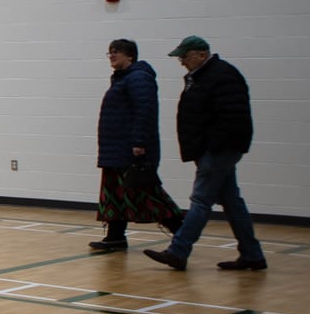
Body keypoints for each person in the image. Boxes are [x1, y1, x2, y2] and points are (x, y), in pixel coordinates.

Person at [145, 36, 266, 273]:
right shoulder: (202, 77)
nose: (182, 62)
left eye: (185, 56)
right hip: (215, 149)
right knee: (232, 202)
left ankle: (178, 251)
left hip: (219, 149)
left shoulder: (222, 75)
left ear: (202, 54)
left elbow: (232, 117)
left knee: (200, 200)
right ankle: (252, 255)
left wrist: (210, 148)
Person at [90, 39, 179, 251]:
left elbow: (145, 111)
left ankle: (182, 232)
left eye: (117, 52)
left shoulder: (138, 78)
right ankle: (115, 237)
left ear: (130, 56)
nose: (112, 56)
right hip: (115, 150)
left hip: (130, 150)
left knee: (146, 193)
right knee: (115, 194)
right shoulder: (123, 78)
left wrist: (139, 142)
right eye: (110, 52)